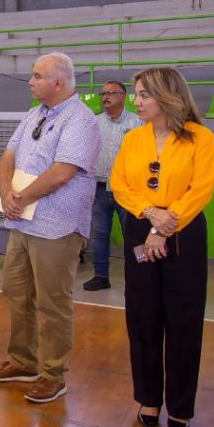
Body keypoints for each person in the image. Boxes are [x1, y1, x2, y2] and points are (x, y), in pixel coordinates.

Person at [0, 52, 100, 403]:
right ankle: (22, 361)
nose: (30, 82)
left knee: (52, 303)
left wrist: (20, 196)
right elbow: (8, 155)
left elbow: (64, 171)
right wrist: (8, 192)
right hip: (24, 222)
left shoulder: (80, 120)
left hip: (58, 226)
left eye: (36, 76)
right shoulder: (36, 114)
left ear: (58, 82)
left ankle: (53, 373)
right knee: (16, 293)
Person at [110, 67, 214, 427]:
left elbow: (200, 189)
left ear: (168, 96)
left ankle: (181, 406)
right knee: (142, 317)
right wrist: (150, 214)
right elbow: (119, 183)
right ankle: (149, 397)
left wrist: (163, 223)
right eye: (136, 95)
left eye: (143, 95)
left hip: (182, 231)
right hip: (142, 225)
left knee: (184, 321)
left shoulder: (200, 138)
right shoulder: (133, 139)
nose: (135, 102)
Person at [83, 81, 142, 291]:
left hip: (127, 191)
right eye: (103, 93)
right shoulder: (94, 123)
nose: (105, 96)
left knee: (133, 235)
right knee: (99, 234)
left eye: (111, 93)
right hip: (99, 188)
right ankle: (101, 276)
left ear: (123, 97)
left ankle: (136, 280)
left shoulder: (138, 123)